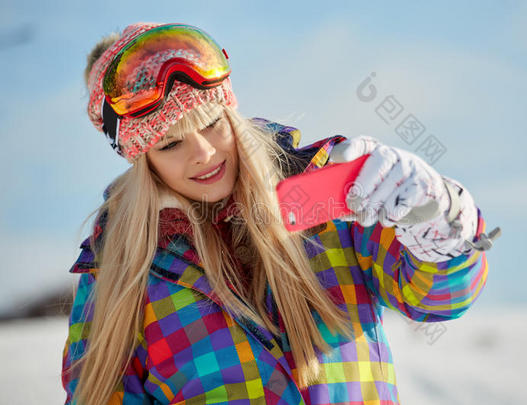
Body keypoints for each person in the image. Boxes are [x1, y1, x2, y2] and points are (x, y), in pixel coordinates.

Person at [61, 22, 500, 405]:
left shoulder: (325, 196)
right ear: (142, 160)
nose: (205, 152)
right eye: (171, 143)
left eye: (213, 122)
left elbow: (436, 298)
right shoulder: (122, 269)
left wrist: (435, 217)